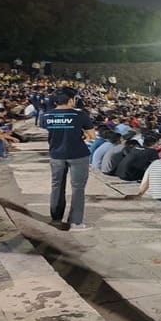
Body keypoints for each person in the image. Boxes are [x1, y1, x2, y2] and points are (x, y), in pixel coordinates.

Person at [42, 87, 95, 231]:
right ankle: (76, 222)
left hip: (56, 155)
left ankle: (56, 218)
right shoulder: (80, 115)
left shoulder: (46, 116)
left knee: (56, 186)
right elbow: (92, 135)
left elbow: (49, 130)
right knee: (78, 188)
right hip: (78, 155)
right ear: (71, 100)